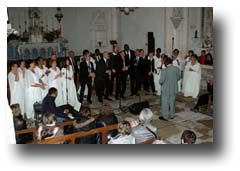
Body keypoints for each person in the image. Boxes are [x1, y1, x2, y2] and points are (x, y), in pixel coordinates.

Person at [159, 57, 181, 121]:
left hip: (166, 89)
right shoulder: (176, 69)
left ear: (166, 62)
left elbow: (161, 81)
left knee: (165, 103)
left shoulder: (164, 70)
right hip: (174, 88)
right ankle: (172, 115)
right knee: (172, 102)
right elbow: (179, 78)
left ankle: (165, 116)